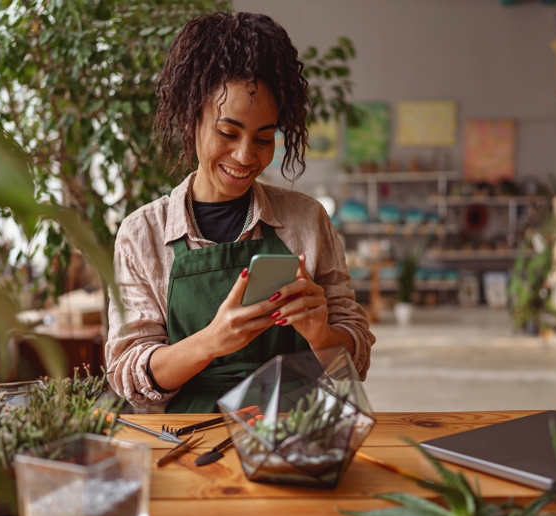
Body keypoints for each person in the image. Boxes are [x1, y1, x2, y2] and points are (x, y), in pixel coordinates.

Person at [106, 12, 374, 413]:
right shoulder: (142, 233)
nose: (246, 156)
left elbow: (352, 363)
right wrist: (212, 340)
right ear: (190, 119)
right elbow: (129, 374)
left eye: (264, 138)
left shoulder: (306, 220)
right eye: (227, 133)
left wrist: (322, 335)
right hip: (184, 441)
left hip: (290, 436)